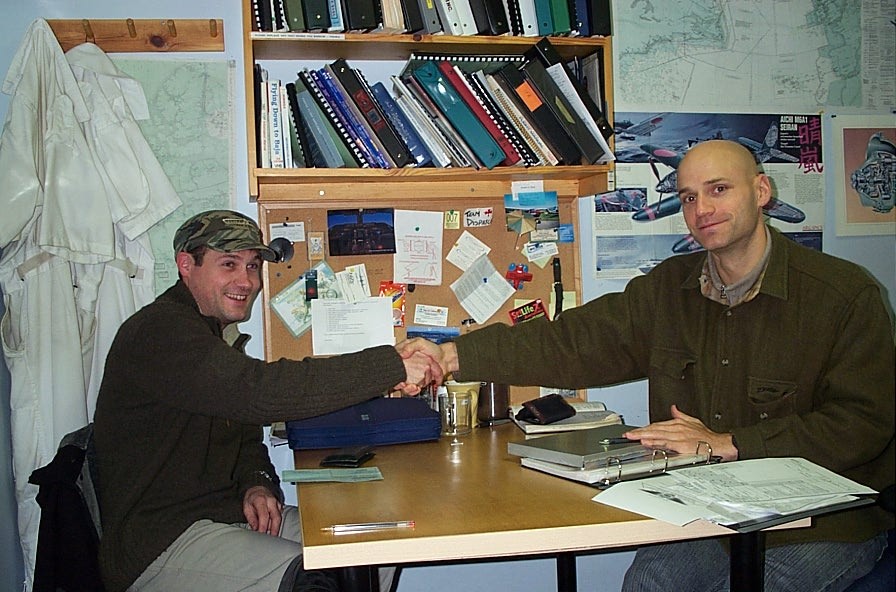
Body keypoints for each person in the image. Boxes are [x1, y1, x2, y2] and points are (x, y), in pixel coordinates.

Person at [399, 140, 895, 591]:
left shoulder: (844, 295)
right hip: (709, 509)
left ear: (762, 190)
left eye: (718, 189)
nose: (702, 209)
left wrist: (731, 444)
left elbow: (865, 424)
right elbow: (573, 342)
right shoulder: (668, 289)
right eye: (688, 197)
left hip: (822, 519)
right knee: (647, 585)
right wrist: (452, 355)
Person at [93, 210, 437, 592]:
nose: (247, 281)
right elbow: (262, 393)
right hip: (161, 541)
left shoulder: (215, 337)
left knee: (370, 547)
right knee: (314, 582)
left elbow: (243, 434)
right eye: (229, 265)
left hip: (222, 517)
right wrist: (390, 365)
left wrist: (256, 484)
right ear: (185, 265)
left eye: (253, 266)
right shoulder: (160, 332)